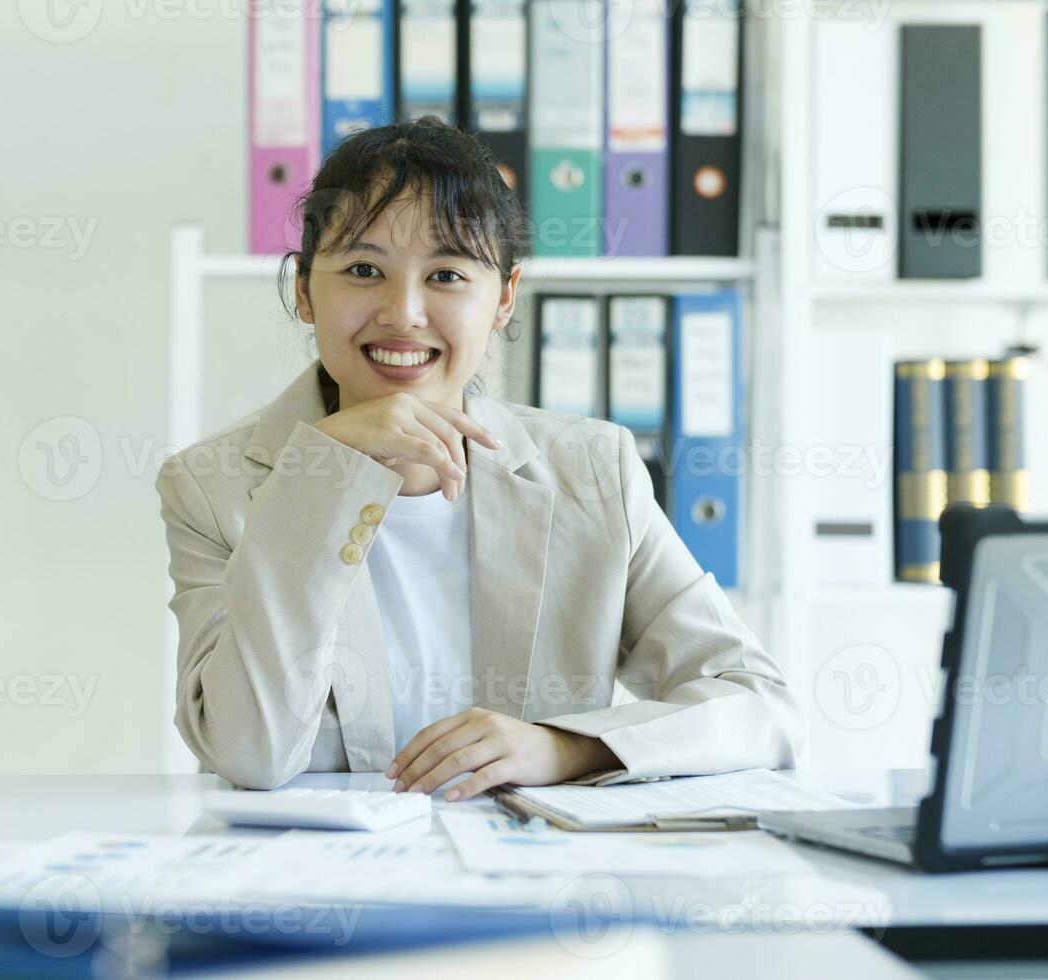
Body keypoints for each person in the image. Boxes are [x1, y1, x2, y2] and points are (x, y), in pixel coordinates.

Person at [156, 118, 800, 800]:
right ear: (304, 291)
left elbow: (761, 708)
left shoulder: (593, 471)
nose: (403, 313)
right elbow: (251, 752)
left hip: (535, 886)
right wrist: (323, 477)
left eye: (446, 274)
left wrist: (568, 747)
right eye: (364, 270)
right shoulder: (211, 487)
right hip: (320, 897)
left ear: (504, 297)